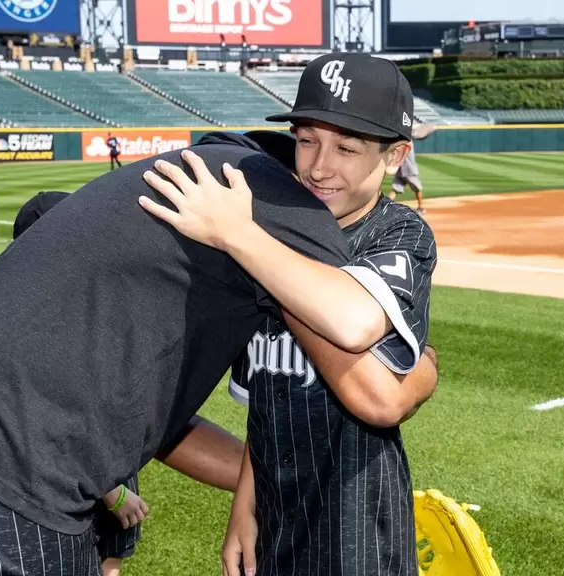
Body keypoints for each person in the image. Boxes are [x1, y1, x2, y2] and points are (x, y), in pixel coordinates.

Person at [0, 129, 349, 575]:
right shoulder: (265, 205)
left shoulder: (136, 246)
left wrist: (272, 483)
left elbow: (163, 432)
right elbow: (370, 361)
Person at [137, 52, 438, 576]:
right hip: (275, 516)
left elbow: (370, 379)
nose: (320, 166)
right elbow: (265, 402)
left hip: (358, 521)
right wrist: (244, 506)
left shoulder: (399, 234)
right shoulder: (275, 226)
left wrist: (241, 236)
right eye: (306, 140)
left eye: (347, 147)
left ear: (395, 156)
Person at [13, 190, 151, 576]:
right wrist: (114, 491)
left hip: (103, 471)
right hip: (76, 483)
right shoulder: (44, 324)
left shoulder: (84, 305)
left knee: (108, 561)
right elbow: (54, 419)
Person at [387, 122, 436, 213]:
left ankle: (385, 207)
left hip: (400, 169)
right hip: (409, 169)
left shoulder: (398, 142)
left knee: (395, 189)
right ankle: (420, 207)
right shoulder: (408, 142)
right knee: (418, 188)